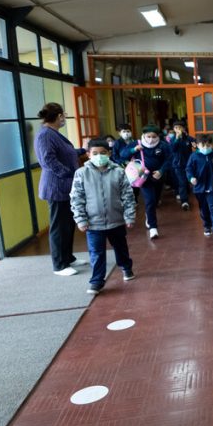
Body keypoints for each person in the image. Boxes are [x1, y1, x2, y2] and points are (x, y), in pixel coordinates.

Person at [70, 138, 137, 295]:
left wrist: (129, 216)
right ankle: (97, 281)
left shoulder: (119, 172)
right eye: (95, 153)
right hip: (93, 224)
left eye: (103, 153)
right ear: (88, 155)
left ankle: (126, 268)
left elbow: (127, 195)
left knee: (121, 247)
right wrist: (80, 219)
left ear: (109, 153)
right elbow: (76, 198)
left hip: (117, 221)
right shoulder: (81, 173)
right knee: (96, 253)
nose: (99, 156)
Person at [33, 102, 89, 276]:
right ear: (58, 117)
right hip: (56, 187)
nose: (64, 118)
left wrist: (83, 150)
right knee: (59, 226)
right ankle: (59, 265)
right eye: (63, 115)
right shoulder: (45, 135)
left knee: (68, 225)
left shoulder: (54, 134)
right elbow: (48, 161)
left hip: (66, 187)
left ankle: (68, 257)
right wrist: (68, 174)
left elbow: (67, 153)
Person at [121, 125, 170, 239]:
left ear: (158, 136)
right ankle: (153, 227)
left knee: (156, 200)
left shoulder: (163, 145)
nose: (151, 139)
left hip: (158, 177)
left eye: (154, 136)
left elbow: (169, 159)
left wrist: (161, 170)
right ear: (143, 135)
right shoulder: (136, 143)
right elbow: (123, 154)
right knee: (150, 200)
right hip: (143, 177)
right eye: (148, 136)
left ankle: (149, 214)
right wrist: (133, 150)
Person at [186, 134, 213, 241]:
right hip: (199, 188)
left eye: (208, 145)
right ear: (197, 145)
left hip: (212, 186)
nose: (205, 148)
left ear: (211, 145)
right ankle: (207, 225)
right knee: (204, 208)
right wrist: (191, 178)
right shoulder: (194, 156)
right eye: (203, 145)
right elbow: (188, 169)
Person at [168, 120, 195, 211]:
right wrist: (177, 139)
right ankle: (184, 201)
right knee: (182, 183)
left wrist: (196, 145)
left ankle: (192, 195)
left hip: (189, 164)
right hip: (178, 165)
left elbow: (197, 145)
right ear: (174, 129)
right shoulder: (172, 139)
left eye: (180, 127)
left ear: (184, 129)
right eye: (176, 128)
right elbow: (173, 149)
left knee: (190, 181)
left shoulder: (189, 138)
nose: (178, 129)